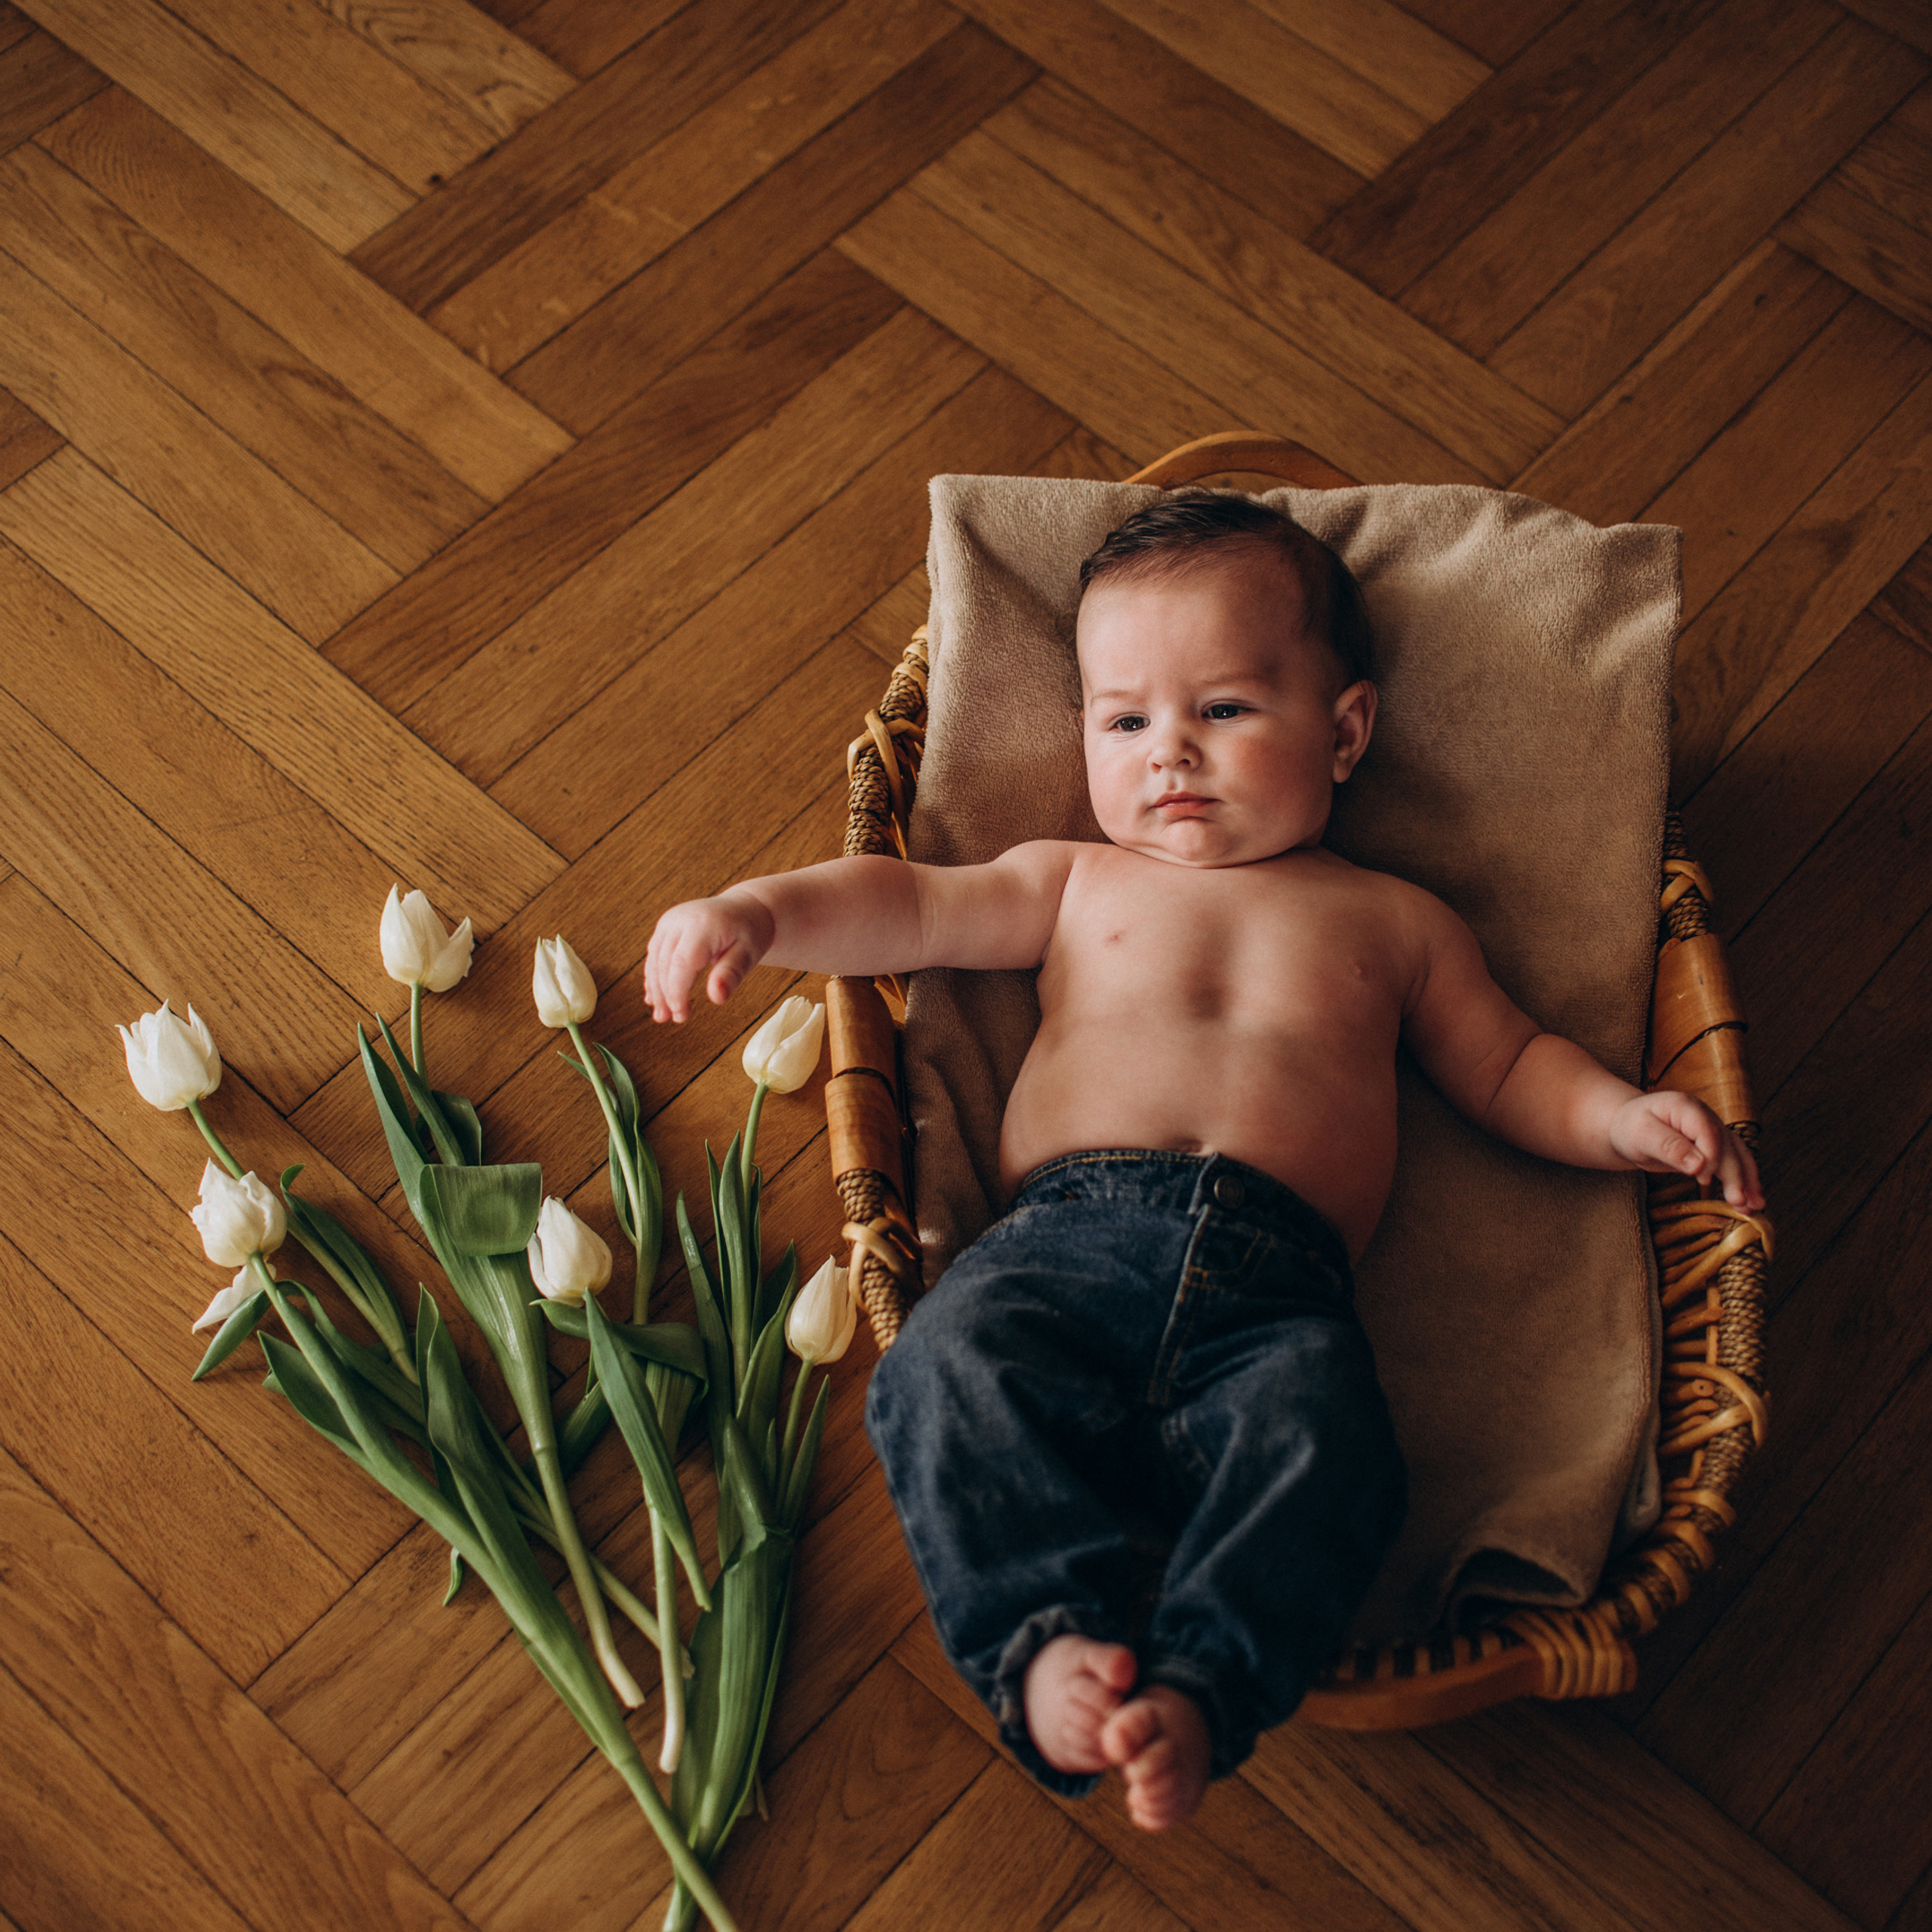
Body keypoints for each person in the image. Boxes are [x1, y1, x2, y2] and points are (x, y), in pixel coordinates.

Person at [642, 494, 1763, 1832]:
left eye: (1223, 711)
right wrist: (757, 912)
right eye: (1124, 723)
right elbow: (909, 904)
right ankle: (1045, 1635)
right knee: (940, 1368)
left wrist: (1626, 1120)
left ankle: (1195, 1686)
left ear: (1344, 731)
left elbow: (1512, 1066)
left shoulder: (1398, 922)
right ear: (1083, 737)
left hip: (1281, 1300)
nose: (1168, 753)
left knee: (1334, 1450)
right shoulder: (1076, 882)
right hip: (1059, 1246)